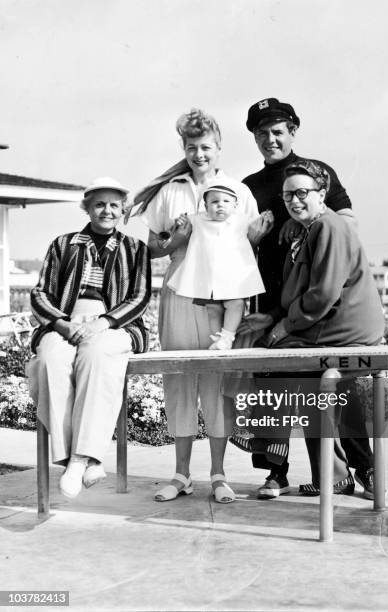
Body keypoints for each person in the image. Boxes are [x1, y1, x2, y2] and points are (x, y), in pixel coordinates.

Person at [237, 97, 375, 499]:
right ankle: (274, 472)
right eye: (261, 133)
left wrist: (304, 234)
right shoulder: (250, 186)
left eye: (277, 131)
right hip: (273, 294)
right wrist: (256, 239)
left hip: (319, 297)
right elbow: (238, 242)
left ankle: (361, 468)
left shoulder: (316, 173)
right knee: (272, 381)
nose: (270, 139)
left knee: (336, 383)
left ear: (292, 132)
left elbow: (346, 224)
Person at [139, 109, 266, 503]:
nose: (199, 154)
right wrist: (176, 236)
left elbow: (247, 247)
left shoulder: (238, 191)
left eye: (206, 146)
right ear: (184, 148)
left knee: (215, 384)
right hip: (179, 293)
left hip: (221, 298)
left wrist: (260, 236)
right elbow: (152, 249)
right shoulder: (171, 190)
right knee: (178, 381)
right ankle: (180, 474)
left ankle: (218, 473)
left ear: (219, 147)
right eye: (191, 147)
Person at [28, 177, 151, 499]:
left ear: (123, 210)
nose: (106, 211)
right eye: (99, 204)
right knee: (51, 360)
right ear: (87, 208)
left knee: (97, 357)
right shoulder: (62, 244)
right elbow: (40, 293)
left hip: (113, 325)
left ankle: (79, 459)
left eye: (113, 205)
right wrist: (61, 324)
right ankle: (82, 459)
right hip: (65, 322)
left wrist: (103, 323)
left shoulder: (134, 248)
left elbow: (139, 298)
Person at [167, 179, 271, 349]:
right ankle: (217, 340)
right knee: (213, 309)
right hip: (207, 274)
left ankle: (227, 337)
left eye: (226, 201)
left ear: (235, 205)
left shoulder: (241, 220)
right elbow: (179, 222)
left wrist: (265, 217)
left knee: (236, 304)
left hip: (232, 274)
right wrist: (179, 222)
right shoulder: (197, 220)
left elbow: (258, 224)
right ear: (206, 206)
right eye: (214, 202)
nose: (220, 205)